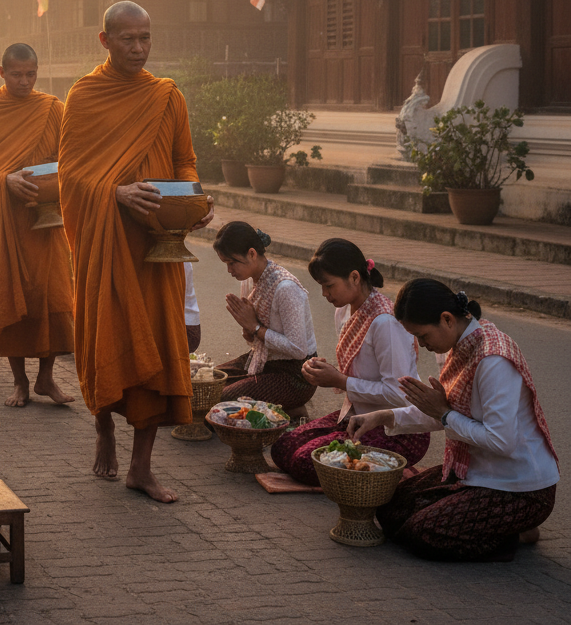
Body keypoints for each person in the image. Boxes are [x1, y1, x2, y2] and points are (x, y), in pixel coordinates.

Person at [58, 1, 213, 502]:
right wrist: (115, 192)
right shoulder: (84, 95)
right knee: (105, 337)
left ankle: (141, 468)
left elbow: (184, 160)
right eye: (128, 39)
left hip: (157, 244)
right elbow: (69, 174)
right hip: (105, 241)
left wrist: (191, 198)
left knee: (162, 342)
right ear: (105, 41)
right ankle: (103, 425)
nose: (139, 48)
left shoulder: (167, 96)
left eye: (145, 37)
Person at [348, 280, 559, 562]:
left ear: (447, 319)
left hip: (519, 488)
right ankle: (497, 526)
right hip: (473, 471)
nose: (422, 345)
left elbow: (501, 441)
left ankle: (515, 532)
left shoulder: (493, 359)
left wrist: (445, 414)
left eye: (422, 336)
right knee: (390, 508)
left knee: (423, 532)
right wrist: (383, 416)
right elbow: (444, 412)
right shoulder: (460, 344)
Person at [0, 43, 75, 407]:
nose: (24, 81)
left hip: (47, 221)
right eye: (16, 75)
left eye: (31, 74)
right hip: (7, 222)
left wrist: (53, 177)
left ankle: (46, 378)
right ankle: (19, 382)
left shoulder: (52, 109)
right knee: (10, 295)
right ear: (2, 72)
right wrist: (4, 180)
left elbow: (70, 157)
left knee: (52, 295)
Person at [270, 238, 430, 485]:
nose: (324, 294)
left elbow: (398, 395)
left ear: (355, 277)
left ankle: (387, 473)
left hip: (397, 427)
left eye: (329, 285)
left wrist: (340, 380)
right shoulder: (344, 310)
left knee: (304, 462)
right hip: (357, 415)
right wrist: (323, 372)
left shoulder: (385, 323)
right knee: (282, 447)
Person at [214, 221, 318, 413]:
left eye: (232, 263)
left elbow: (298, 350)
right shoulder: (249, 282)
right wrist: (249, 330)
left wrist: (255, 328)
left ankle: (292, 408)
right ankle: (278, 407)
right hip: (263, 360)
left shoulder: (286, 288)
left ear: (252, 254)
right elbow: (255, 341)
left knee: (222, 401)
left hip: (296, 375)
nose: (229, 270)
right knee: (209, 382)